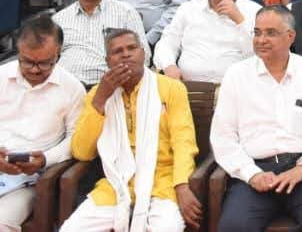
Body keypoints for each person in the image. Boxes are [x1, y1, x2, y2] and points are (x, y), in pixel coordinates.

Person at [211, 6, 302, 231]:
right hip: (255, 170)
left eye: (270, 33)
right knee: (234, 226)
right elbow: (223, 137)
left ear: (290, 36)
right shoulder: (237, 75)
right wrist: (251, 174)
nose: (261, 40)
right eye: (257, 32)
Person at [61, 28, 202, 231]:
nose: (126, 54)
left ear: (143, 53)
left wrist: (181, 186)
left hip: (163, 183)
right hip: (116, 185)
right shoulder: (98, 95)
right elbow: (82, 152)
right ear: (108, 61)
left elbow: (184, 143)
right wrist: (100, 100)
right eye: (117, 51)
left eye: (132, 48)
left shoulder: (171, 89)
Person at [0, 16, 85, 230]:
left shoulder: (72, 88)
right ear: (18, 52)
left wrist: (45, 160)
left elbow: (75, 138)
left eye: (44, 63)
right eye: (27, 61)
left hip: (24, 179)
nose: (34, 69)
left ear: (58, 54)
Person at [153, 0, 258, 83]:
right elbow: (167, 42)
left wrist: (240, 21)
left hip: (234, 87)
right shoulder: (188, 9)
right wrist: (168, 65)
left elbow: (260, 55)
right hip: (188, 85)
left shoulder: (254, 11)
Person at [54, 0, 147, 86]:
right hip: (66, 87)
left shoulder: (125, 12)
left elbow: (143, 55)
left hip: (113, 86)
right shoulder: (59, 19)